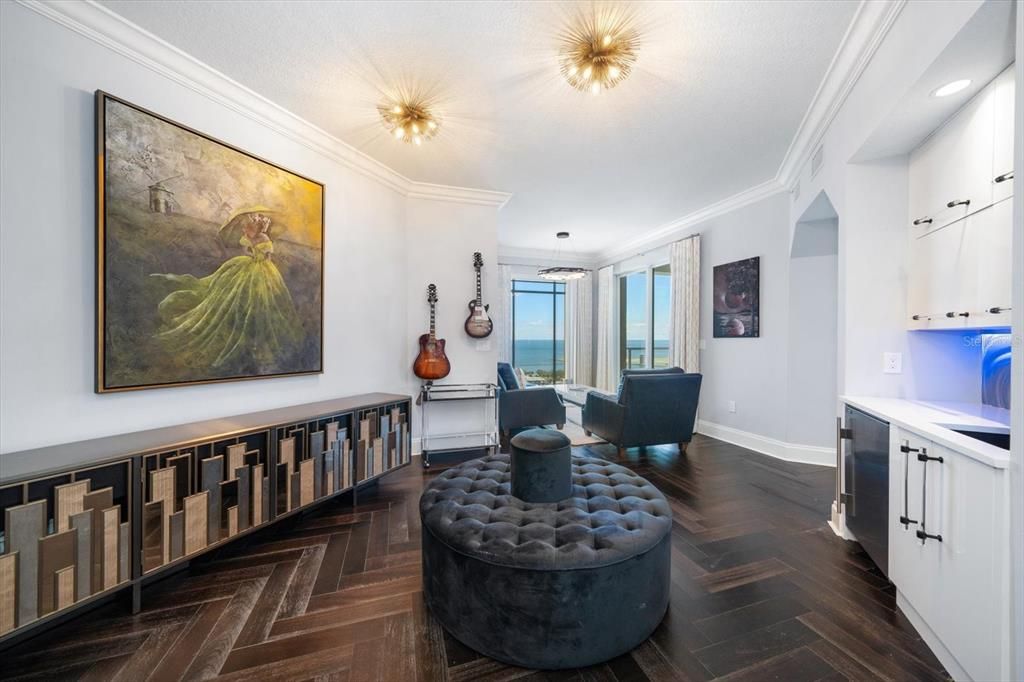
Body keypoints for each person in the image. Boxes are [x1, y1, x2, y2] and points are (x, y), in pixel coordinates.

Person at [151, 208, 304, 372]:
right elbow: (267, 257)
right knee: (255, 298)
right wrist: (260, 256)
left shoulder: (249, 237)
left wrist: (253, 254)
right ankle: (250, 333)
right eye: (260, 224)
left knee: (239, 295)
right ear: (262, 227)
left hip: (247, 264)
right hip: (262, 269)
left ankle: (242, 327)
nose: (257, 227)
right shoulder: (265, 238)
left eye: (255, 224)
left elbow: (246, 251)